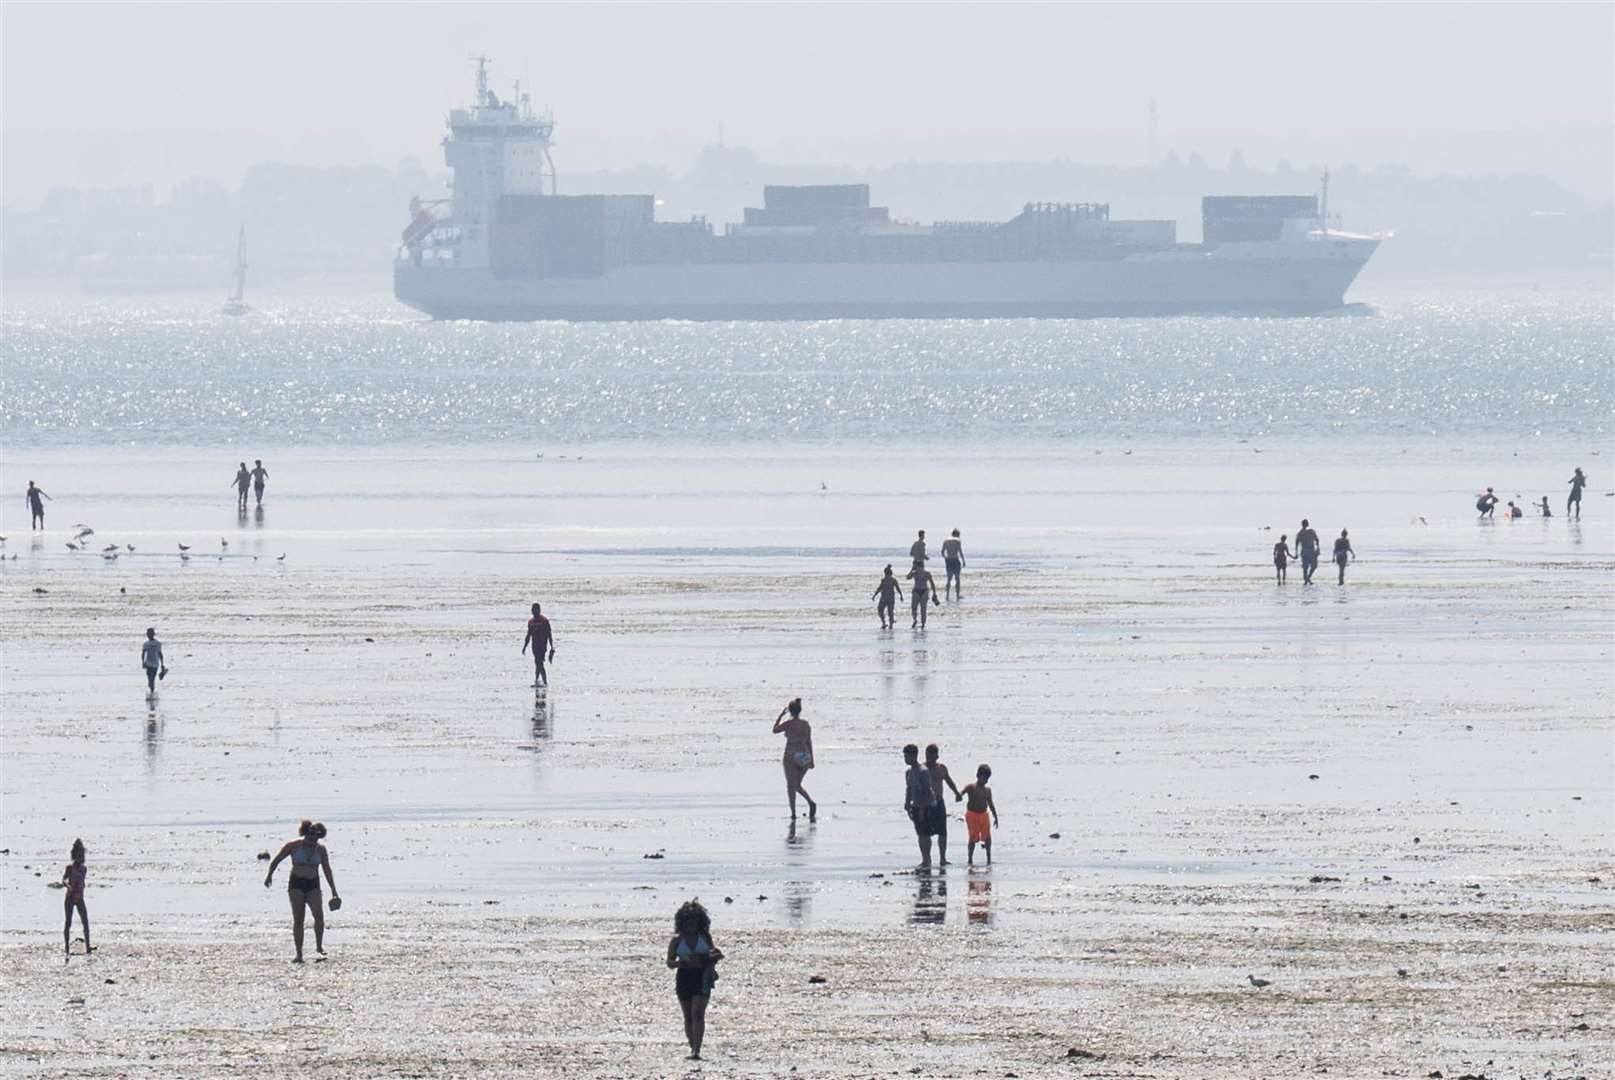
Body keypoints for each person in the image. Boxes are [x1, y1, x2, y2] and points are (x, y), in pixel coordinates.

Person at [264, 820, 340, 963]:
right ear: (305, 833)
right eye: (310, 835)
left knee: (319, 916)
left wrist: (334, 891)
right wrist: (269, 875)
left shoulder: (321, 850)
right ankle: (299, 954)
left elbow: (327, 870)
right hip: (296, 884)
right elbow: (277, 860)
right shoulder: (293, 846)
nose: (312, 838)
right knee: (298, 919)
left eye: (316, 836)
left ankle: (319, 946)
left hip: (313, 884)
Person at [666, 900, 722, 1061]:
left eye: (694, 920)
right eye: (688, 920)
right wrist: (680, 963)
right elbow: (669, 962)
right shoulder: (677, 940)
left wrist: (713, 955)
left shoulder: (704, 936)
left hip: (702, 977)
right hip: (684, 977)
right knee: (688, 1016)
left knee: (698, 1013)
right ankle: (692, 1046)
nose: (691, 924)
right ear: (682, 922)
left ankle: (697, 1049)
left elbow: (712, 952)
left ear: (700, 921)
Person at [772, 697, 817, 822]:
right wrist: (812, 760)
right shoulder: (805, 724)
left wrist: (780, 715)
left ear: (790, 711)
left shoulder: (788, 724)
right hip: (804, 755)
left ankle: (793, 813)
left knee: (791, 786)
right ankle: (810, 802)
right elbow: (809, 741)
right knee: (797, 785)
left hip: (791, 755)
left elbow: (774, 730)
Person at [924, 744, 961, 865]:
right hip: (926, 804)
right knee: (925, 833)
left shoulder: (941, 768)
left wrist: (957, 793)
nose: (929, 758)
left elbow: (949, 781)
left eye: (931, 755)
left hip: (939, 802)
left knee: (942, 832)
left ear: (936, 756)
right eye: (927, 755)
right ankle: (926, 859)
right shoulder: (922, 769)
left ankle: (942, 858)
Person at [957, 765, 999, 866]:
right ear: (978, 776)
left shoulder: (987, 790)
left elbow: (990, 803)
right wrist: (959, 796)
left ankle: (989, 858)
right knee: (973, 838)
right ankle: (970, 859)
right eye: (984, 778)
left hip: (984, 814)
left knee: (987, 837)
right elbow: (961, 792)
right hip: (972, 815)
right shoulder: (971, 787)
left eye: (987, 778)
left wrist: (995, 816)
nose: (985, 780)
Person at [903, 743, 936, 869]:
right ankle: (924, 859)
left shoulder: (923, 771)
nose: (905, 759)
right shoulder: (909, 772)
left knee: (925, 834)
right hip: (916, 805)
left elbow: (927, 790)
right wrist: (907, 804)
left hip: (927, 805)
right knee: (920, 833)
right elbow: (909, 788)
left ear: (913, 756)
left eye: (907, 756)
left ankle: (927, 860)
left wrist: (922, 809)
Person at [62, 839, 91, 959]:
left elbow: (82, 882)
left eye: (82, 855)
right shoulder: (69, 868)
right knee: (68, 922)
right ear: (74, 855)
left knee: (85, 921)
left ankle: (88, 947)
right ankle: (67, 947)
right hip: (70, 897)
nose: (81, 857)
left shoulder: (84, 869)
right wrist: (67, 885)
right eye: (79, 855)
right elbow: (63, 879)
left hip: (80, 898)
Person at [521, 602, 556, 687]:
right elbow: (528, 635)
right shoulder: (531, 622)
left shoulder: (544, 621)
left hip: (542, 646)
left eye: (535, 610)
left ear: (539, 610)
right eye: (533, 610)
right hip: (534, 646)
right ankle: (537, 681)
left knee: (539, 663)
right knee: (537, 663)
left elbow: (549, 634)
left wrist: (551, 646)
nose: (534, 612)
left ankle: (545, 682)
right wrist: (524, 647)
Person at [872, 565, 904, 630]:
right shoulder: (889, 580)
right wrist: (901, 596)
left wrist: (875, 595)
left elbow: (880, 588)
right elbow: (897, 588)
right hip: (888, 597)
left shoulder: (888, 580)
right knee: (886, 610)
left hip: (887, 597)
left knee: (885, 610)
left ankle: (887, 623)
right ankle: (887, 623)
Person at [1294, 519, 1321, 585]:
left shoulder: (1308, 532)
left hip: (1308, 550)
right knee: (1308, 567)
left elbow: (1316, 540)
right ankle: (1307, 580)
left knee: (1311, 566)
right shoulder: (1303, 532)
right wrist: (1318, 548)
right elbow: (1317, 540)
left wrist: (1296, 552)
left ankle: (1307, 579)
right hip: (1308, 550)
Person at [940, 529, 965, 600]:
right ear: (957, 534)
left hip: (949, 560)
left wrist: (946, 558)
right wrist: (963, 561)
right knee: (957, 578)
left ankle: (947, 595)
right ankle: (957, 595)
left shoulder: (946, 540)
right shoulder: (958, 540)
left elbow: (942, 552)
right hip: (955, 560)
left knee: (949, 579)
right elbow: (960, 551)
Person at [140, 628, 165, 696]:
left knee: (152, 678)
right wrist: (143, 662)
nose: (149, 635)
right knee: (149, 679)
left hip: (155, 664)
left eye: (150, 633)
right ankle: (152, 691)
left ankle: (152, 692)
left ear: (153, 634)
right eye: (148, 634)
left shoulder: (158, 643)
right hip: (148, 664)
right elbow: (143, 654)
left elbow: (160, 654)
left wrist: (162, 664)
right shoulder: (145, 644)